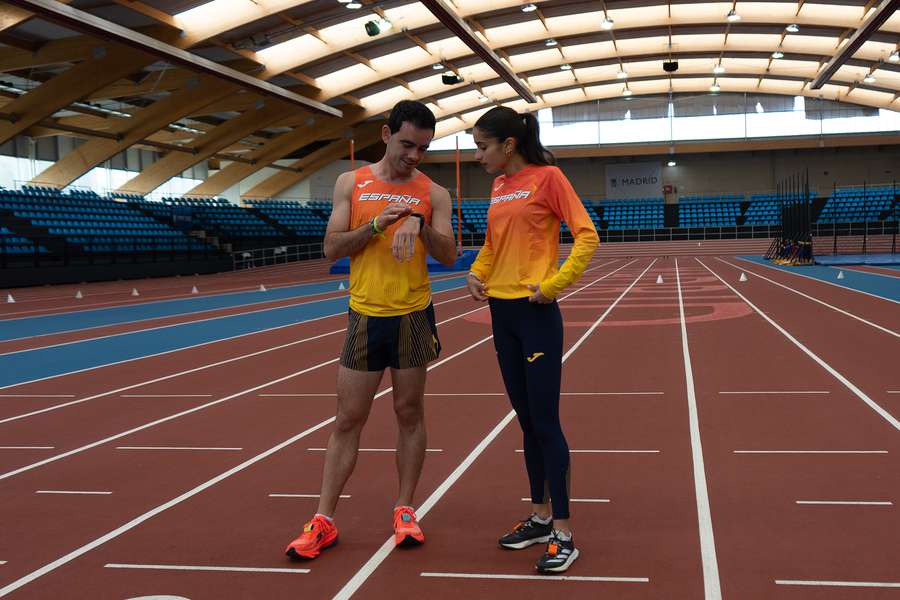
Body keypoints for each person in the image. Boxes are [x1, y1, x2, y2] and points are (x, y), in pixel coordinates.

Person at [285, 100, 456, 560]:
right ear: (385, 135)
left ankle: (405, 508)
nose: (414, 155)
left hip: (413, 314)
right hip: (365, 313)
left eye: (422, 147)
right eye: (406, 144)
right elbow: (330, 247)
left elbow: (449, 255)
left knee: (409, 413)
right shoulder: (351, 183)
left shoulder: (435, 193)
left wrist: (419, 224)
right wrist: (377, 224)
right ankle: (323, 519)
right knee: (347, 418)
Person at [466, 106, 599, 573]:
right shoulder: (499, 187)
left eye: (482, 147)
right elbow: (492, 244)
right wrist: (477, 272)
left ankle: (564, 531)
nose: (478, 156)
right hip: (501, 314)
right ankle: (540, 517)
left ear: (508, 145)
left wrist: (554, 285)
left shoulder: (549, 178)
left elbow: (587, 236)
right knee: (525, 422)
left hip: (536, 313)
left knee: (545, 423)